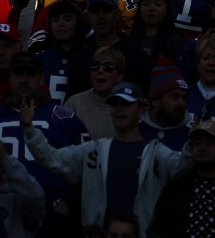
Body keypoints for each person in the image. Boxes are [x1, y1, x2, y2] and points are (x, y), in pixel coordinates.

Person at [21, 81, 191, 233]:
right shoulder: (93, 150)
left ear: (141, 110)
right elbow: (52, 159)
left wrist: (192, 143)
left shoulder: (157, 154)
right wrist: (29, 129)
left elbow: (184, 169)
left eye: (126, 104)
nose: (119, 109)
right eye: (114, 104)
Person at [150, 119, 215, 237]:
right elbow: (159, 227)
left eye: (209, 143)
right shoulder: (177, 186)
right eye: (197, 143)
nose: (202, 148)